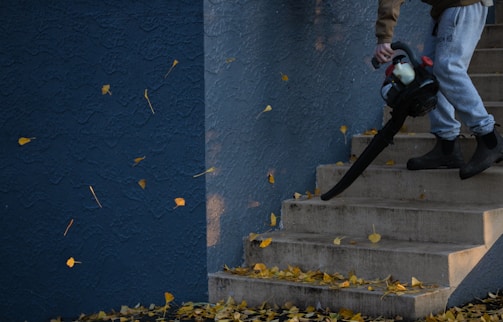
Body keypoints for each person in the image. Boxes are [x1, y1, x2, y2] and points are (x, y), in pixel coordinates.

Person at [374, 0, 503, 179]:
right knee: (429, 74)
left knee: (447, 67)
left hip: (462, 4)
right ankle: (447, 146)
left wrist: (384, 37)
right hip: (445, 8)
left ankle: (490, 139)